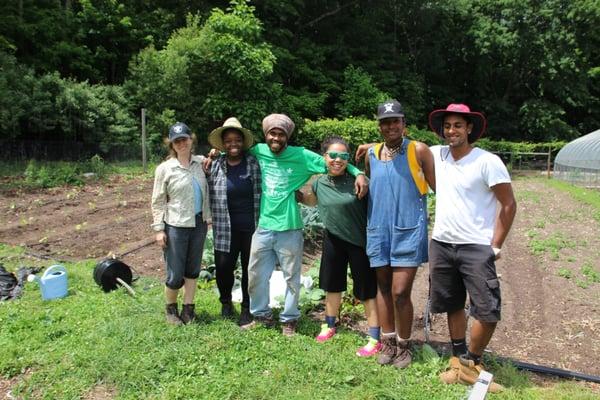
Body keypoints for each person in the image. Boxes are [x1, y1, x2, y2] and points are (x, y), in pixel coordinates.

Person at [242, 113, 368, 336]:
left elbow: (334, 160)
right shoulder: (258, 150)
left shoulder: (300, 155)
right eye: (273, 133)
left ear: (287, 137)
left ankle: (289, 319)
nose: (276, 137)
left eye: (281, 134)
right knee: (256, 274)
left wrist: (357, 172)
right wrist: (216, 153)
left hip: (290, 226)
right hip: (263, 225)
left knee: (292, 276)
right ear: (266, 135)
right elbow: (235, 149)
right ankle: (261, 314)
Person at [428, 104, 516, 392]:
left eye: (457, 125)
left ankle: (472, 363)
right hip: (442, 243)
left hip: (476, 246)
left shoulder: (487, 161)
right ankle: (457, 359)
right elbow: (407, 147)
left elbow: (508, 204)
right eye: (447, 125)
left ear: (469, 129)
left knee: (487, 309)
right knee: (452, 303)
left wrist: (496, 245)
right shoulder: (437, 155)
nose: (451, 130)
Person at [363, 100, 435, 368]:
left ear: (404, 124)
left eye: (396, 121)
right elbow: (369, 181)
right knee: (382, 287)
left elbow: (439, 187)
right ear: (379, 126)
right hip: (378, 230)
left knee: (400, 292)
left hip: (408, 229)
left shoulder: (419, 151)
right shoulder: (371, 154)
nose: (391, 126)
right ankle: (388, 342)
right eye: (385, 121)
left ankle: (405, 345)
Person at [300, 135, 381, 356]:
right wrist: (295, 194)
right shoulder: (318, 182)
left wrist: (361, 172)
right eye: (332, 155)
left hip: (359, 243)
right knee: (332, 285)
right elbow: (312, 201)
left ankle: (374, 337)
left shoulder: (359, 182)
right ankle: (329, 325)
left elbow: (384, 154)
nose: (337, 160)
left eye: (343, 156)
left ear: (348, 159)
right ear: (324, 157)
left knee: (366, 290)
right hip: (333, 239)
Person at [151, 122, 211, 325]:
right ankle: (170, 310)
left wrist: (214, 153)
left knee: (193, 269)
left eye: (184, 139)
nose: (181, 143)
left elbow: (217, 158)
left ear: (191, 139)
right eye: (177, 141)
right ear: (172, 144)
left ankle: (188, 308)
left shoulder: (201, 164)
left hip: (199, 223)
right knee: (175, 272)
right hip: (176, 225)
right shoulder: (165, 169)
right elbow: (158, 200)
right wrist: (159, 229)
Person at [206, 117, 261, 326]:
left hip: (250, 227)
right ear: (223, 144)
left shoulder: (253, 163)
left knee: (250, 269)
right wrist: (210, 156)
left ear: (242, 142)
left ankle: (247, 308)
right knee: (223, 267)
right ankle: (226, 302)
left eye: (236, 140)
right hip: (224, 227)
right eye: (228, 141)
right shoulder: (214, 165)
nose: (233, 144)